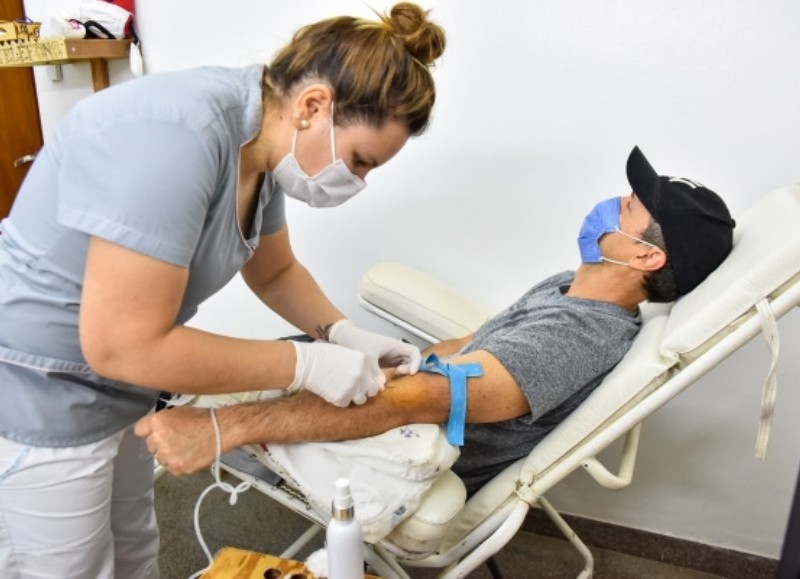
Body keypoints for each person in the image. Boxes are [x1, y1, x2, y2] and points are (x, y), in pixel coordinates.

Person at [0, 4, 446, 578]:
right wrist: (305, 364)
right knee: (68, 567)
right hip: (35, 385)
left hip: (117, 389)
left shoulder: (258, 147)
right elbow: (123, 344)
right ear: (312, 106)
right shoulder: (174, 135)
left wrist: (342, 332)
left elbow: (275, 270)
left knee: (133, 552)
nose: (356, 181)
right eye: (360, 161)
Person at [135, 146, 736, 496]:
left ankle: (161, 413)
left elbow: (420, 402)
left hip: (408, 443)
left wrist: (229, 426)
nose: (610, 203)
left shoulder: (578, 334)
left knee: (252, 383)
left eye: (626, 207)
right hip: (415, 396)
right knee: (284, 351)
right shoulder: (571, 286)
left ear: (645, 257)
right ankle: (152, 398)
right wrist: (388, 352)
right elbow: (466, 348)